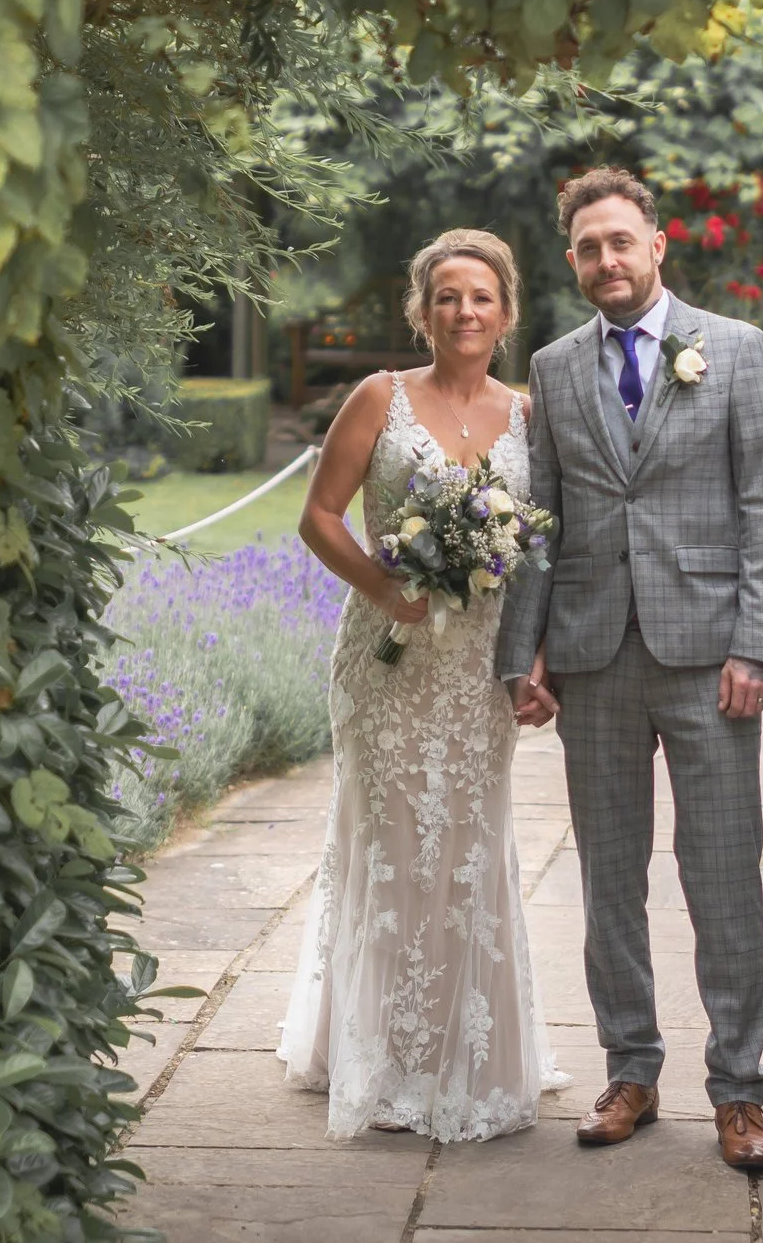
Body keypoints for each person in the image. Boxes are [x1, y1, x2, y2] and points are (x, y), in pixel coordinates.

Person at [495, 168, 763, 1172]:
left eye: (620, 242)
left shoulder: (735, 350)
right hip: (591, 657)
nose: (606, 261)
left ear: (657, 244)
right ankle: (630, 1070)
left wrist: (756, 643)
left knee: (719, 879)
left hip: (710, 655)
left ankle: (740, 1091)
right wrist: (520, 657)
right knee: (608, 877)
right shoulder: (552, 366)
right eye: (587, 248)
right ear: (572, 258)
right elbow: (541, 525)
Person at [277, 229, 566, 1141]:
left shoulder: (530, 415)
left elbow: (547, 553)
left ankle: (469, 1051)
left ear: (506, 313)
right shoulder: (380, 399)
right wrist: (382, 586)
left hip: (481, 667)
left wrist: (538, 659)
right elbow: (318, 515)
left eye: (481, 297)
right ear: (422, 310)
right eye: (446, 296)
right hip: (388, 662)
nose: (464, 311)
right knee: (391, 840)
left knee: (469, 845)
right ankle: (380, 1055)